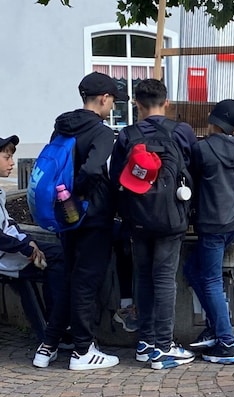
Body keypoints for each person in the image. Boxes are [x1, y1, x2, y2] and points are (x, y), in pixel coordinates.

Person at [36, 72, 126, 370]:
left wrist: (66, 201)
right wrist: (83, 196)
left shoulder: (62, 126)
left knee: (70, 279)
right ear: (103, 98)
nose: (112, 106)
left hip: (65, 215)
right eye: (112, 100)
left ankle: (47, 346)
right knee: (86, 282)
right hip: (91, 215)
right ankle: (82, 351)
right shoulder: (101, 132)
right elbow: (90, 169)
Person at [110, 78, 196, 370]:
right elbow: (194, 167)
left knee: (143, 277)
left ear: (136, 104)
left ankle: (146, 343)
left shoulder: (127, 135)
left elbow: (116, 178)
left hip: (138, 218)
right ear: (167, 103)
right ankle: (164, 346)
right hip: (172, 217)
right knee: (164, 279)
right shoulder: (181, 131)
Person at [182, 99, 234, 365]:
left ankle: (226, 341)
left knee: (210, 280)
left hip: (212, 224)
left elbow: (191, 177)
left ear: (213, 122)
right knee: (191, 269)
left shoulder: (203, 149)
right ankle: (215, 325)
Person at [0, 135, 67, 368]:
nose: (11, 162)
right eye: (7, 157)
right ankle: (53, 333)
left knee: (57, 257)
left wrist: (29, 241)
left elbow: (10, 224)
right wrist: (26, 246)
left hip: (12, 250)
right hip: (6, 258)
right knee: (57, 259)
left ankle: (54, 327)